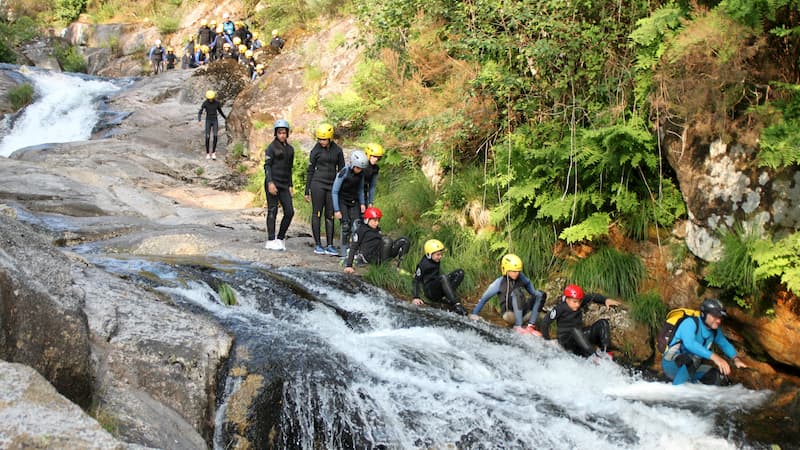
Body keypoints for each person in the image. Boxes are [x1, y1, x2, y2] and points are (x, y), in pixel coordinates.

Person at [662, 298, 748, 386]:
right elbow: (690, 344)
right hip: (672, 363)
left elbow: (725, 344)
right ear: (704, 314)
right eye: (715, 316)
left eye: (720, 317)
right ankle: (677, 390)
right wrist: (715, 357)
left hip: (692, 367)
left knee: (716, 376)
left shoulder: (715, 331)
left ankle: (693, 391)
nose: (718, 320)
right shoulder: (690, 323)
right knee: (692, 359)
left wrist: (736, 359)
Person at [469, 254, 546, 334]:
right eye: (513, 271)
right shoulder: (499, 283)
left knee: (541, 294)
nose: (516, 273)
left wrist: (536, 295)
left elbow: (529, 285)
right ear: (506, 270)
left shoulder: (521, 277)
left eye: (518, 271)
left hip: (522, 312)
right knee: (516, 292)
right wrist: (474, 314)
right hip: (509, 314)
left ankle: (530, 326)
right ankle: (518, 326)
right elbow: (484, 299)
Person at [539, 284, 622, 358]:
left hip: (580, 337)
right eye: (574, 302)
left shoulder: (579, 301)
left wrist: (605, 300)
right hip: (566, 341)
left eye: (579, 302)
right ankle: (594, 356)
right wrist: (547, 340)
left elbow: (592, 296)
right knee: (575, 330)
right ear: (567, 299)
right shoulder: (559, 308)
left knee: (603, 323)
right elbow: (545, 323)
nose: (578, 304)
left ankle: (606, 351)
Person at [304, 123, 345, 256]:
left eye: (324, 139)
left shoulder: (337, 151)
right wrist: (307, 190)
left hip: (332, 185)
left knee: (330, 215)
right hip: (317, 184)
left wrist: (341, 189)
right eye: (320, 139)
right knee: (317, 213)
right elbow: (310, 170)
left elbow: (342, 171)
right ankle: (317, 244)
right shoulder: (315, 151)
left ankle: (330, 245)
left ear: (330, 138)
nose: (322, 142)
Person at [344, 207, 410, 273]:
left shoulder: (377, 229)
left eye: (378, 220)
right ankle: (384, 268)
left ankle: (400, 267)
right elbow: (353, 247)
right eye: (375, 220)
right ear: (367, 220)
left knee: (404, 241)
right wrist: (349, 265)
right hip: (370, 256)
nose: (377, 223)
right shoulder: (361, 230)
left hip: (381, 253)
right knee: (386, 241)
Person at [412, 239, 468, 316]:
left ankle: (448, 297)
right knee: (443, 277)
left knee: (460, 272)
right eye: (438, 255)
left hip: (437, 285)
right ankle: (456, 304)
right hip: (430, 291)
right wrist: (416, 297)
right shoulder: (423, 264)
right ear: (429, 254)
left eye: (441, 254)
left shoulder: (435, 259)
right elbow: (416, 280)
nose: (440, 257)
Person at [264, 119, 295, 251]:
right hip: (273, 182)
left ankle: (280, 238)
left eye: (284, 132)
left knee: (289, 212)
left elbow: (289, 168)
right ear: (276, 133)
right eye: (279, 132)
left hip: (284, 184)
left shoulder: (290, 149)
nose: (282, 135)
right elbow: (267, 166)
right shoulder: (271, 148)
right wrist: (270, 182)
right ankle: (271, 239)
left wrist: (290, 185)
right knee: (273, 210)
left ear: (287, 133)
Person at [332, 150, 367, 259]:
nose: (359, 170)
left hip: (354, 201)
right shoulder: (344, 172)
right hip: (342, 200)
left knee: (356, 225)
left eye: (361, 168)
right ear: (352, 164)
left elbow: (360, 190)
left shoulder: (361, 174)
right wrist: (337, 210)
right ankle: (344, 250)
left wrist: (362, 203)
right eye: (357, 168)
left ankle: (354, 250)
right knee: (345, 225)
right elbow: (334, 191)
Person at [197, 90, 227, 160]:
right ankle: (207, 153)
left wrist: (226, 118)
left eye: (211, 98)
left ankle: (213, 152)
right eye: (209, 98)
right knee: (207, 137)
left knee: (215, 136)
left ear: (213, 97)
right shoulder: (205, 103)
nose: (210, 100)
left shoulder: (217, 103)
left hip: (215, 120)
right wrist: (199, 120)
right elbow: (200, 112)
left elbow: (220, 111)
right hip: (208, 120)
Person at [362, 143, 383, 208]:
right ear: (368, 154)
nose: (376, 159)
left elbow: (372, 186)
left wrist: (370, 202)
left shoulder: (375, 168)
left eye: (378, 157)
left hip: (364, 192)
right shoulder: (360, 164)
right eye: (374, 156)